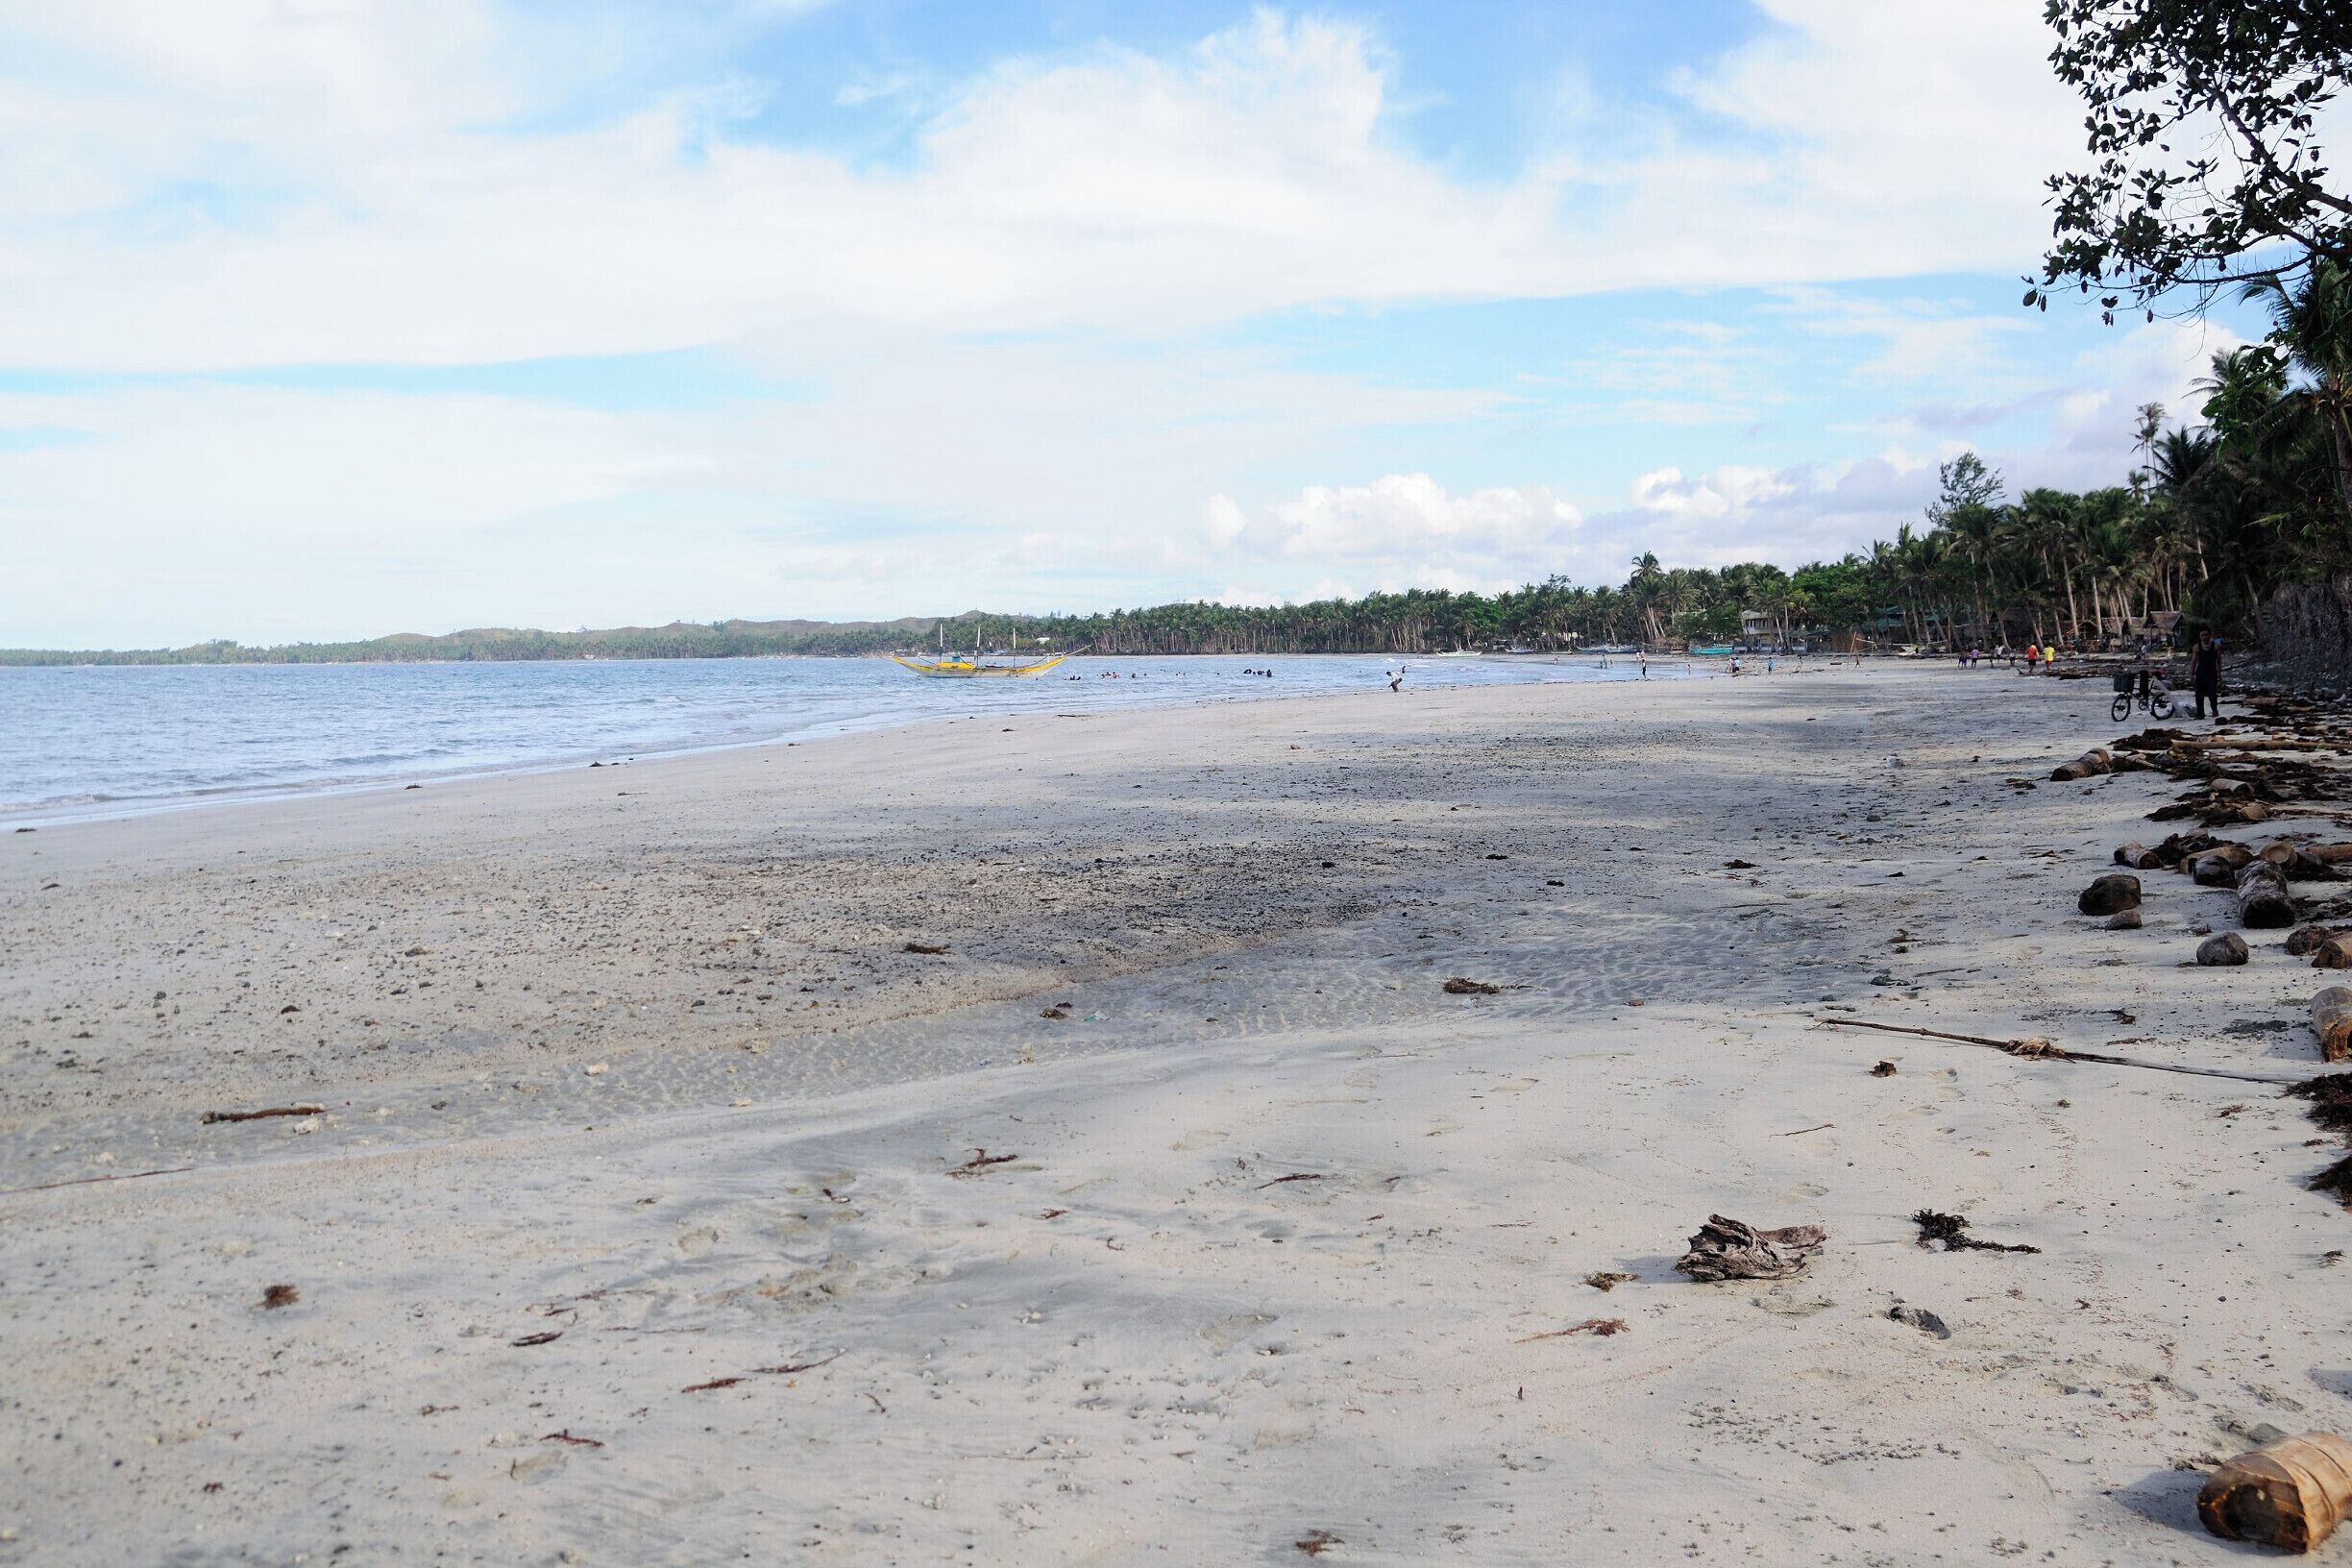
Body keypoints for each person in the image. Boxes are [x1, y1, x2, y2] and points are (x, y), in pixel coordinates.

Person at [2191, 629, 2222, 721]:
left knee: (2212, 693)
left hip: (2212, 673)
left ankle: (2214, 710)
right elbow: (2193, 661)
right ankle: (2200, 713)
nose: (2204, 637)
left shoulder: (2216, 646)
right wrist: (2192, 674)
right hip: (2200, 673)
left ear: (2209, 635)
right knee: (2198, 694)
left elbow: (2219, 661)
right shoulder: (2196, 647)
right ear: (2200, 637)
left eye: (2205, 635)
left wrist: (2220, 674)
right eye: (2202, 635)